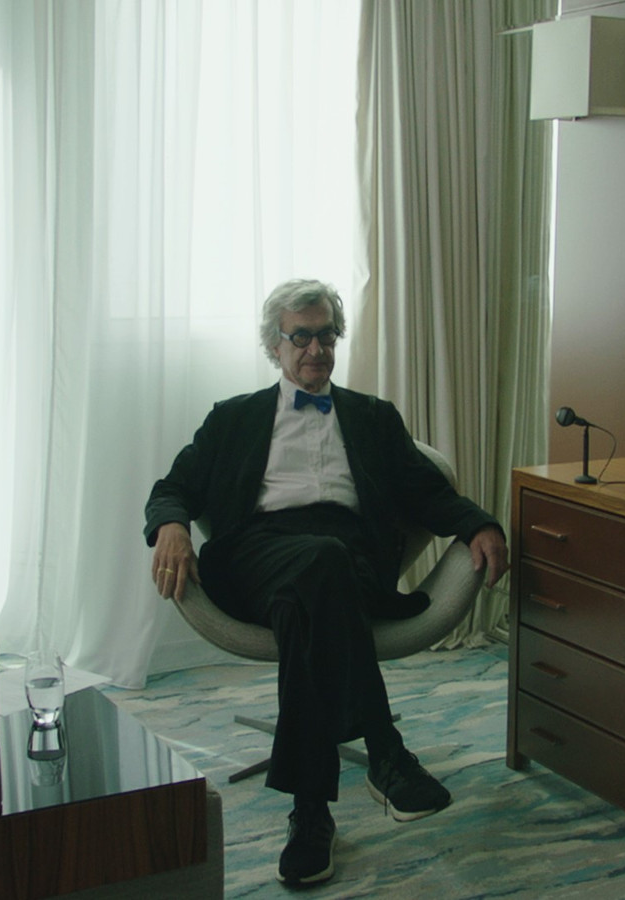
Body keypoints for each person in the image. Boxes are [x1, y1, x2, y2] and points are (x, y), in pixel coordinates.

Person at [144, 278, 509, 886]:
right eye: (301, 337)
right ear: (275, 345)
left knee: (312, 588)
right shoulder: (232, 418)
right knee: (319, 564)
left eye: (326, 335)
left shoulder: (373, 418)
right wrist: (172, 526)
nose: (316, 349)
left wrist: (480, 524)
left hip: (346, 560)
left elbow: (429, 492)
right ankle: (385, 752)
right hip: (257, 554)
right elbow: (172, 488)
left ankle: (311, 811)